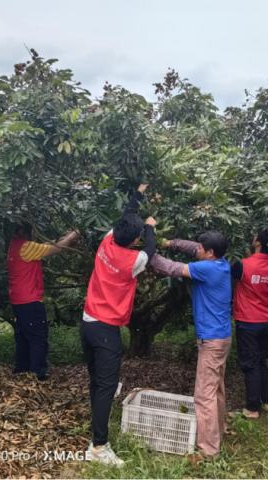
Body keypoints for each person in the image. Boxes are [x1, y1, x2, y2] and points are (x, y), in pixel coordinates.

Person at [82, 184, 157, 467]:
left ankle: (96, 423)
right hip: (105, 329)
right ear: (135, 238)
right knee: (107, 384)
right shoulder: (133, 260)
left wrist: (137, 196)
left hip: (88, 322)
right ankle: (99, 446)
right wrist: (150, 227)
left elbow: (125, 217)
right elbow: (151, 249)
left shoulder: (106, 240)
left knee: (97, 380)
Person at [150, 231, 231, 461]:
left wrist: (149, 250)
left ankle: (208, 450)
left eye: (202, 249)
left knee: (203, 395)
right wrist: (170, 242)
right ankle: (219, 430)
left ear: (211, 253)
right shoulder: (221, 263)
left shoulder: (208, 269)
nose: (198, 250)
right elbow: (192, 248)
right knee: (216, 389)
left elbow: (171, 268)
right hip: (222, 337)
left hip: (211, 340)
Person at [7, 224, 80, 380]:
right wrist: (72, 236)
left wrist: (64, 238)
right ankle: (37, 374)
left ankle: (21, 371)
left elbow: (45, 246)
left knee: (23, 336)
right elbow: (54, 249)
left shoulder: (15, 244)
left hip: (18, 299)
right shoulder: (26, 247)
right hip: (29, 300)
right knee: (38, 337)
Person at [231, 229, 268, 419]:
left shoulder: (242, 265)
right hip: (266, 319)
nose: (252, 238)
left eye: (255, 237)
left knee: (250, 363)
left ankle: (252, 408)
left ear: (258, 243)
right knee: (262, 360)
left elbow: (235, 276)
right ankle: (264, 399)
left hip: (247, 320)